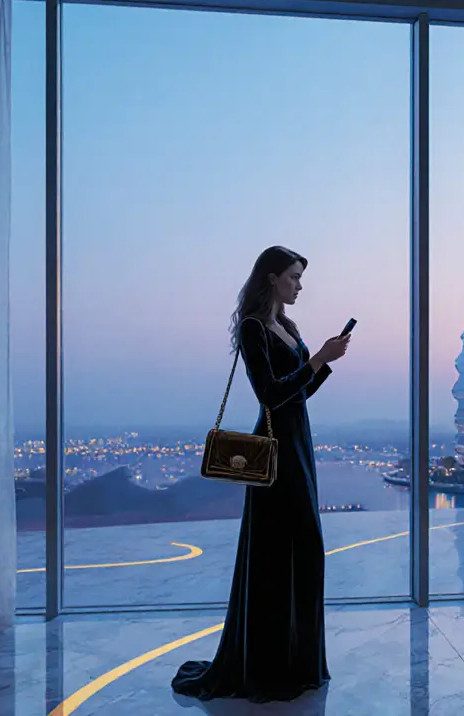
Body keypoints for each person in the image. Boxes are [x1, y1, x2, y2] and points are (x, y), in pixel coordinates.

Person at [173, 245, 351, 702]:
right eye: (293, 276)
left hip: (297, 445)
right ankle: (272, 667)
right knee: (279, 555)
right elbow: (270, 396)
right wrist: (316, 360)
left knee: (304, 550)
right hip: (276, 455)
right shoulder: (255, 329)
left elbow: (300, 395)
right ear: (271, 277)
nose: (299, 285)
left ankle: (297, 660)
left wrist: (326, 360)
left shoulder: (286, 327)